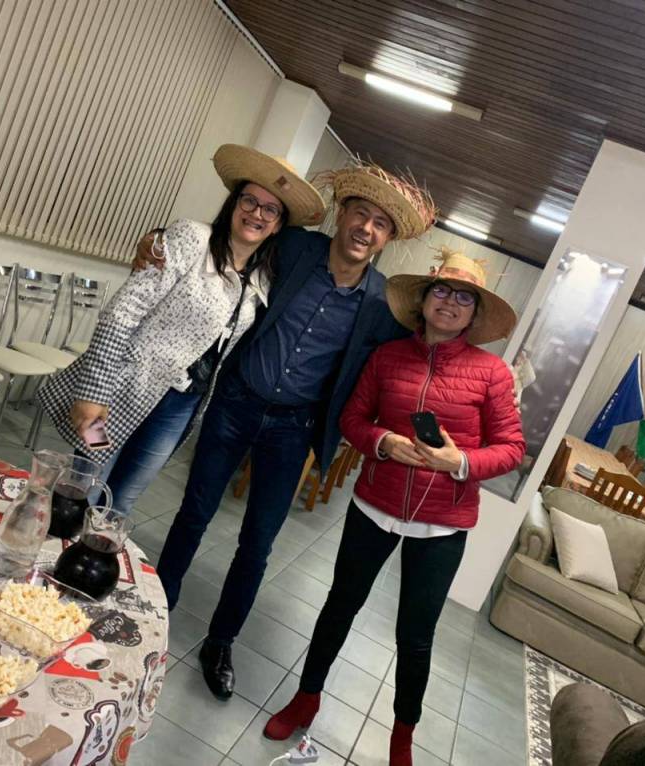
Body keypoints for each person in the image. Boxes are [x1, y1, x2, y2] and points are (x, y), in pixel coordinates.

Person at [137, 161, 436, 699]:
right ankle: (156, 610)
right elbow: (231, 242)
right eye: (360, 214)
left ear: (388, 239)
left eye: (380, 224)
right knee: (194, 514)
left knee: (257, 544)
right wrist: (158, 241)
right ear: (341, 215)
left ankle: (221, 642)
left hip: (293, 431)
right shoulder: (293, 248)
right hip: (235, 404)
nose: (366, 229)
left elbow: (415, 353)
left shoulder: (384, 304)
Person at [264, 248, 525, 766]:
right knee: (340, 605)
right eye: (442, 290)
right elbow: (353, 419)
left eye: (464, 297)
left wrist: (458, 461)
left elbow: (512, 449)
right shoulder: (387, 357)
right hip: (374, 505)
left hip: (442, 525)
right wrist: (383, 442)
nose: (450, 302)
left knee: (415, 636)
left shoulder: (492, 373)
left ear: (475, 313)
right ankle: (306, 697)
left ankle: (402, 736)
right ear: (424, 299)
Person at [36, 145, 325, 520]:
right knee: (84, 488)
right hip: (120, 391)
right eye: (249, 200)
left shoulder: (262, 278)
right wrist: (93, 394)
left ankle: (93, 556)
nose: (257, 213)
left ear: (279, 224)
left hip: (179, 408)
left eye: (270, 209)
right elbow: (121, 314)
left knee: (123, 500)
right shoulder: (191, 238)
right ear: (234, 203)